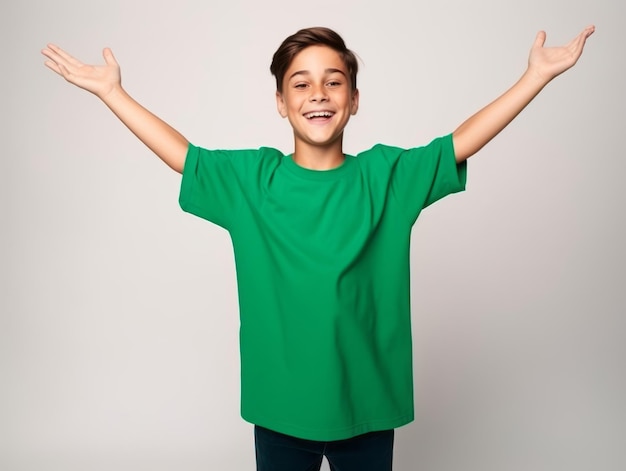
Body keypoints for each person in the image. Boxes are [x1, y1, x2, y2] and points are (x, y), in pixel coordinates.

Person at [42, 25, 594, 471]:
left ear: (353, 101)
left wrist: (534, 77)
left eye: (333, 83)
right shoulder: (252, 181)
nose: (318, 95)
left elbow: (460, 140)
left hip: (367, 408)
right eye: (300, 84)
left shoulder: (387, 177)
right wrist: (113, 92)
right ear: (281, 103)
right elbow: (184, 155)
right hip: (280, 411)